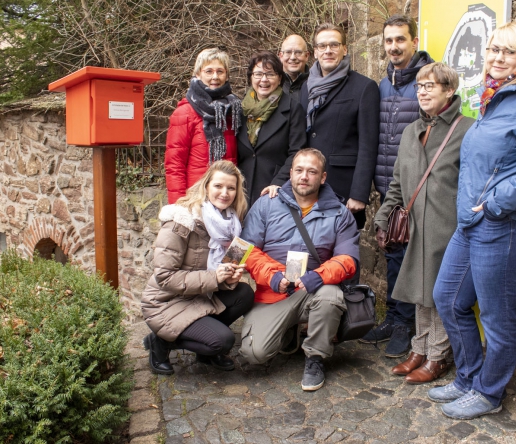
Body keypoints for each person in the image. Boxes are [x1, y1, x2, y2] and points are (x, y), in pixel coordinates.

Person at [429, 22, 516, 420]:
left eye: (508, 52)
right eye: (493, 49)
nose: (497, 57)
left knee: (497, 315)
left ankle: (489, 393)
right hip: (474, 222)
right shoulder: (494, 98)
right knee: (449, 299)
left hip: (508, 223)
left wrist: (494, 203)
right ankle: (469, 377)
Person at [375, 62, 474, 384]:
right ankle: (420, 347)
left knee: (440, 295)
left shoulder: (467, 130)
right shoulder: (410, 131)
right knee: (419, 290)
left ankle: (437, 356)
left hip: (448, 230)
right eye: (419, 86)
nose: (423, 91)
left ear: (450, 90)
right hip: (414, 229)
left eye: (431, 86)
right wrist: (383, 216)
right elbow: (398, 184)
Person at [238, 148, 359, 391]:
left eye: (312, 172)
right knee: (255, 354)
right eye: (300, 170)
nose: (305, 176)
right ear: (291, 173)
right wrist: (271, 274)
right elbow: (242, 250)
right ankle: (289, 330)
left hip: (312, 290)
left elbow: (348, 259)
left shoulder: (339, 213)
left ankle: (316, 357)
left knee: (330, 295)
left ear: (322, 177)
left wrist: (319, 276)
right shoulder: (265, 205)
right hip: (272, 295)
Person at [361, 14, 435, 358]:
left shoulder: (427, 80)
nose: (394, 46)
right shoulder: (383, 84)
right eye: (389, 41)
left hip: (416, 188)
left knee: (408, 258)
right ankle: (392, 316)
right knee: (392, 253)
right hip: (388, 186)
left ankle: (405, 324)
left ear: (414, 42)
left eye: (400, 40)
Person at [141, 160, 255, 375]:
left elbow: (221, 272)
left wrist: (228, 280)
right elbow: (165, 277)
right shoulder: (182, 221)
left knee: (244, 293)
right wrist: (214, 277)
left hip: (199, 296)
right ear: (206, 186)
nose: (225, 193)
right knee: (223, 341)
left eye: (231, 188)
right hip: (167, 302)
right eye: (218, 186)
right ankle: (160, 343)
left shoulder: (232, 224)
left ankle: (204, 350)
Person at [300, 23, 380, 229]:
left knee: (342, 254)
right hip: (307, 186)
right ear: (315, 51)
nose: (328, 50)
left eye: (334, 45)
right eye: (322, 46)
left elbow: (368, 145)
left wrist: (359, 193)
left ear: (345, 49)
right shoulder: (305, 87)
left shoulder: (364, 88)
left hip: (343, 188)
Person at [165, 48, 244, 204]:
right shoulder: (185, 112)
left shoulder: (233, 110)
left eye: (220, 71)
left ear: (227, 75)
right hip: (196, 199)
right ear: (198, 74)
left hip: (225, 198)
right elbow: (175, 165)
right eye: (209, 71)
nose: (215, 77)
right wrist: (178, 206)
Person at [238, 51, 306, 204]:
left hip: (274, 190)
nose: (264, 79)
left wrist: (278, 182)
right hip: (240, 191)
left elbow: (297, 152)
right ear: (250, 77)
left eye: (270, 74)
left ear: (280, 78)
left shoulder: (292, 109)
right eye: (258, 74)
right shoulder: (240, 109)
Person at [279, 35, 310, 104]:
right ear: (281, 56)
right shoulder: (271, 84)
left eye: (298, 52)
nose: (293, 57)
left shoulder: (315, 84)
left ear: (306, 56)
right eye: (288, 52)